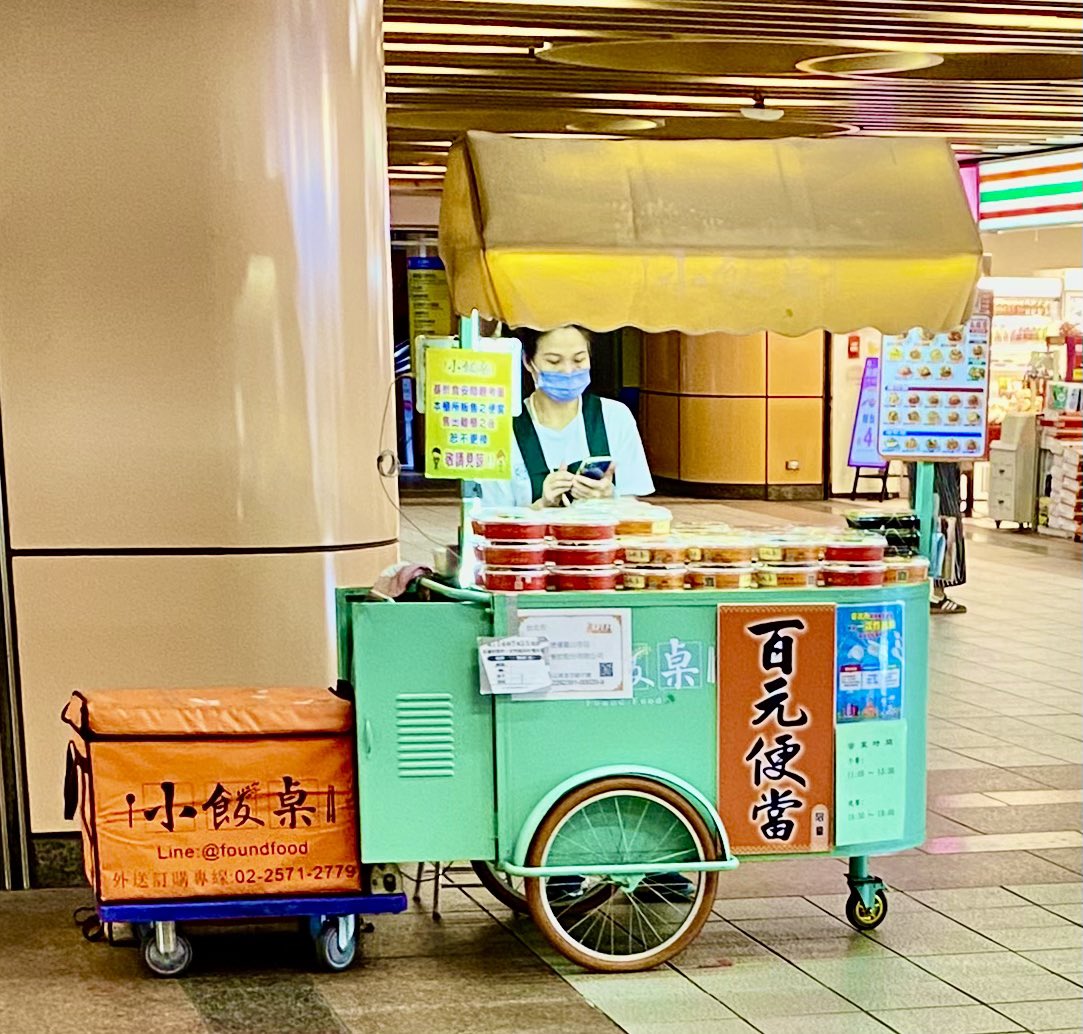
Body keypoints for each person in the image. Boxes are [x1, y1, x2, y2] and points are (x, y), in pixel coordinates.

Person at [479, 325, 654, 508]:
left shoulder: (616, 418)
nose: (568, 371)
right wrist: (541, 507)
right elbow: (494, 518)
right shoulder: (503, 429)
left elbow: (633, 507)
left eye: (579, 359)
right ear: (528, 362)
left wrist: (610, 498)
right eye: (554, 362)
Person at [908, 462, 967, 614]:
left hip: (919, 459)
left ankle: (921, 589)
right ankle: (937, 595)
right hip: (939, 460)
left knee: (924, 519)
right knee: (945, 523)